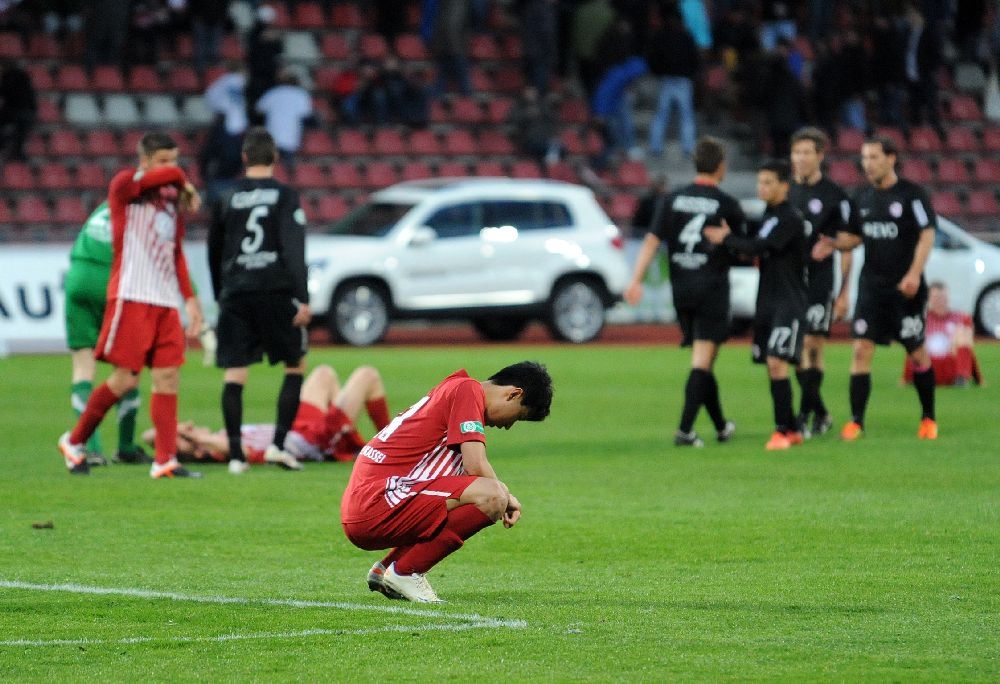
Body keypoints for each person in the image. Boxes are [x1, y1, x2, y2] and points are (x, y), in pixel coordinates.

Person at [341, 361, 553, 603]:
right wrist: (507, 496)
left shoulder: (455, 389)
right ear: (514, 394)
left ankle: (388, 567)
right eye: (517, 416)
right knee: (493, 496)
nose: (507, 426)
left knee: (478, 491)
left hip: (371, 501)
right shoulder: (467, 390)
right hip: (377, 502)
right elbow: (475, 465)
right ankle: (406, 572)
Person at [58, 132, 204, 478]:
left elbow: (175, 252)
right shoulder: (125, 186)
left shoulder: (171, 201)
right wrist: (181, 179)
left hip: (164, 300)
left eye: (175, 160)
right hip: (132, 296)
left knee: (168, 377)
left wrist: (190, 299)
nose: (171, 168)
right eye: (163, 161)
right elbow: (167, 179)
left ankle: (164, 460)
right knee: (124, 380)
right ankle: (75, 441)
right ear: (145, 161)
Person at [813, 135, 938, 440]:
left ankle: (928, 418)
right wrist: (834, 243)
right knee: (861, 350)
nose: (867, 164)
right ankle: (856, 421)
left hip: (905, 289)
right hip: (871, 288)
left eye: (873, 157)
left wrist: (914, 274)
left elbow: (927, 234)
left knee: (916, 352)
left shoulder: (912, 195)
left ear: (891, 158)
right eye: (864, 158)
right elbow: (855, 237)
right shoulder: (862, 196)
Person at [623, 136, 744, 447]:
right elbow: (744, 248)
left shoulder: (672, 199)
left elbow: (651, 241)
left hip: (682, 290)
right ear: (721, 166)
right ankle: (685, 431)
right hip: (712, 288)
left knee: (703, 361)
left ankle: (721, 426)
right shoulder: (727, 204)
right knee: (702, 362)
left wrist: (635, 280)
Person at [207, 127, 311, 475]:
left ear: (244, 157)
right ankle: (277, 447)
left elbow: (214, 250)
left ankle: (236, 456)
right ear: (275, 158)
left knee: (235, 372)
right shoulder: (285, 196)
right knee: (294, 364)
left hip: (236, 291)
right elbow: (293, 248)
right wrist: (303, 298)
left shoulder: (226, 196)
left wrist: (220, 292)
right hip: (275, 290)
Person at [704, 159, 809, 450]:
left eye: (768, 182)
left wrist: (728, 239)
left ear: (784, 185)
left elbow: (760, 247)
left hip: (789, 301)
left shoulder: (790, 218)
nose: (761, 187)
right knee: (771, 364)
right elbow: (751, 248)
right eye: (760, 182)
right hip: (767, 300)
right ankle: (793, 428)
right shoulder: (768, 215)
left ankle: (782, 432)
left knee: (777, 362)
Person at [141, 364, 392, 464]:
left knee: (324, 374)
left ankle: (348, 443)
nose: (190, 425)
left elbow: (148, 435)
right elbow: (242, 451)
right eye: (186, 432)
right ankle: (392, 447)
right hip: (314, 439)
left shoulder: (222, 435)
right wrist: (196, 438)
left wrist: (179, 432)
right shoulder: (220, 449)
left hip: (298, 425)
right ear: (197, 449)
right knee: (367, 375)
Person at [63, 201, 152, 467]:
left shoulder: (106, 206)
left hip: (77, 278)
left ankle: (89, 447)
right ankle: (125, 447)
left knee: (82, 367)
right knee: (127, 369)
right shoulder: (145, 212)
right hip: (112, 284)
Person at [788, 127, 853, 437]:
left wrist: (843, 292)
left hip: (820, 280)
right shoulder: (785, 191)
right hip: (790, 282)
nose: (800, 158)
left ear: (820, 156)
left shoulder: (834, 195)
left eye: (806, 152)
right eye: (796, 152)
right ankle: (821, 413)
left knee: (813, 344)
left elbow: (847, 245)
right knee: (796, 351)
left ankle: (803, 416)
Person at [903, 281, 983, 387]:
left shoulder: (961, 318)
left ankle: (961, 379)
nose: (940, 301)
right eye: (936, 298)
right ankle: (913, 378)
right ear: (929, 299)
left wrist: (978, 378)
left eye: (943, 298)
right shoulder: (921, 319)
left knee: (963, 333)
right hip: (927, 366)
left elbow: (968, 347)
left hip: (950, 364)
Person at [644, 9, 700, 158]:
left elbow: (653, 58)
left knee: (667, 115)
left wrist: (658, 72)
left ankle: (658, 147)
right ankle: (685, 148)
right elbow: (694, 60)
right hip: (675, 80)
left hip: (673, 80)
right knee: (681, 115)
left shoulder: (664, 37)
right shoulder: (684, 37)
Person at [254, 69, 313, 172]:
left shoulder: (274, 92)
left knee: (269, 166)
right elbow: (306, 114)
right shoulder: (301, 95)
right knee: (287, 169)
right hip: (290, 136)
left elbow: (259, 109)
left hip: (273, 134)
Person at [0, 59, 36, 162]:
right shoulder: (23, 77)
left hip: (17, 112)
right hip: (28, 112)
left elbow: (5, 92)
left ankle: (12, 151)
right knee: (20, 134)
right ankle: (18, 153)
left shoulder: (8, 78)